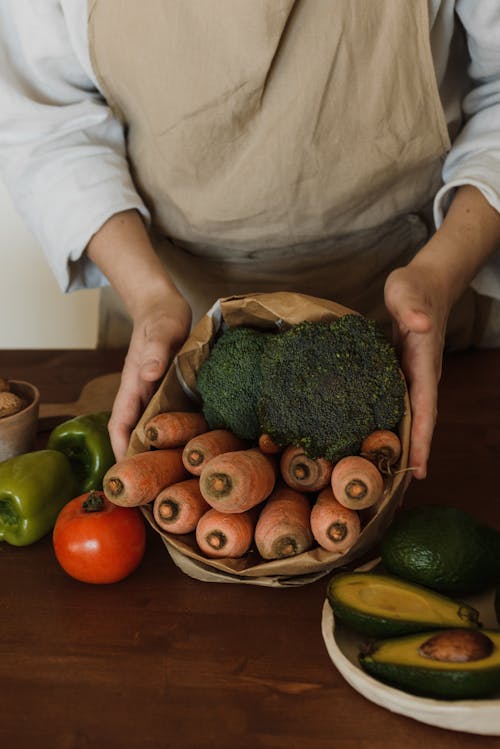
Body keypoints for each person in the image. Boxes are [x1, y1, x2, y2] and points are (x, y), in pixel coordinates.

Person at [1, 1, 499, 479]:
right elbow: (49, 123)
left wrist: (440, 273)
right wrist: (148, 297)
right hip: (163, 292)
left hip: (415, 305)